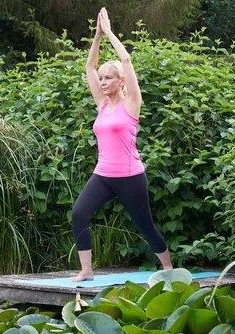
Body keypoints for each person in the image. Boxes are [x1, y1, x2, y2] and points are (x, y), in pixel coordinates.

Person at [71, 7, 172, 282]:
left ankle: (168, 270)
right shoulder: (102, 105)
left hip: (130, 177)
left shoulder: (131, 104)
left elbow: (125, 59)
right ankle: (87, 270)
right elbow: (89, 67)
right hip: (103, 175)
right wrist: (97, 36)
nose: (103, 82)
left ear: (121, 82)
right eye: (102, 79)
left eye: (108, 78)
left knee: (146, 226)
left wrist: (110, 33)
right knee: (78, 214)